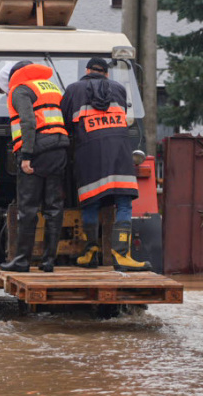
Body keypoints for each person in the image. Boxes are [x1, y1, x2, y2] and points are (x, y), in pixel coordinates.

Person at [60, 57, 151, 271]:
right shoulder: (119, 89)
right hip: (120, 152)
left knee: (90, 201)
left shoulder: (73, 89)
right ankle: (122, 256)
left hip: (89, 154)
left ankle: (89, 251)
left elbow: (64, 124)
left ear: (87, 70)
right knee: (124, 203)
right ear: (107, 73)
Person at [0, 60, 70, 272]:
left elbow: (28, 122)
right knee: (54, 207)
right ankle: (48, 262)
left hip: (36, 152)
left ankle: (22, 261)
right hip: (59, 150)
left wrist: (26, 155)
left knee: (28, 208)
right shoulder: (51, 87)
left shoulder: (20, 90)